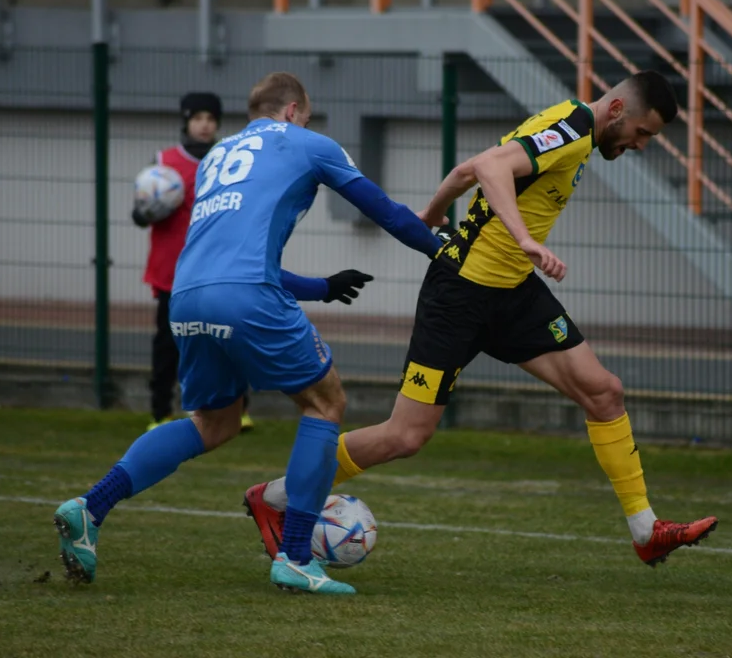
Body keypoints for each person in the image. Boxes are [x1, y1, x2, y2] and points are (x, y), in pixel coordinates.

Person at [246, 71, 719, 571]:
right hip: (461, 294)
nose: (641, 145)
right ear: (619, 109)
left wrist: (431, 212)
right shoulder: (574, 127)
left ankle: (647, 532)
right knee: (406, 436)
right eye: (643, 133)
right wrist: (526, 239)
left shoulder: (573, 129)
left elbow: (469, 169)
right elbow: (492, 166)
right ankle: (275, 496)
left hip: (513, 291)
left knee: (604, 392)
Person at [53, 71, 443, 595]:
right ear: (292, 111)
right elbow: (387, 211)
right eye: (305, 115)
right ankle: (298, 557)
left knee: (214, 422)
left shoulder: (216, 157)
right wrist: (442, 250)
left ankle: (90, 507)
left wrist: (321, 287)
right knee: (325, 403)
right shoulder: (308, 143)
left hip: (187, 294)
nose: (305, 123)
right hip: (245, 294)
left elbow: (227, 256)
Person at [133, 92, 254, 433]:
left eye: (211, 119)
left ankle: (236, 408)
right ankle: (159, 413)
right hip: (171, 272)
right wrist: (149, 207)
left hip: (217, 271)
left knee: (227, 341)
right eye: (198, 118)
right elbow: (140, 215)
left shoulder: (230, 159)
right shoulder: (164, 163)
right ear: (186, 121)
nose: (205, 125)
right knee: (169, 345)